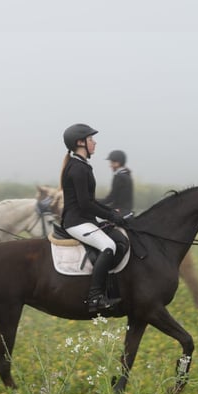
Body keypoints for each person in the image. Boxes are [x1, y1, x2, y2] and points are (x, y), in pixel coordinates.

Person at [60, 123, 128, 313]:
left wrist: (113, 216)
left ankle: (114, 286)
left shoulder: (82, 166)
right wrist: (110, 214)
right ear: (80, 142)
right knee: (109, 246)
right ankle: (95, 298)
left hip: (85, 218)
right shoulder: (78, 168)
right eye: (91, 139)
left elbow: (90, 201)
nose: (95, 143)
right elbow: (85, 204)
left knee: (120, 239)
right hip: (76, 221)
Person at [101, 149, 134, 214]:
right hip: (126, 210)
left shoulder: (119, 177)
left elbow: (111, 198)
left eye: (111, 163)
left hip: (119, 211)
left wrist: (93, 203)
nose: (110, 166)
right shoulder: (127, 175)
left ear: (117, 163)